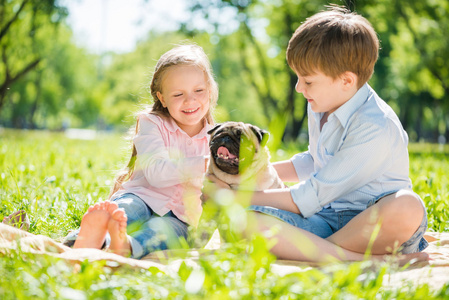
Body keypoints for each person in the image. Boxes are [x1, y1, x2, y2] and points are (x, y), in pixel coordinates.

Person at [207, 6, 429, 264]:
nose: (299, 88)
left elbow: (310, 196)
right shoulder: (322, 102)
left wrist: (233, 193)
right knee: (242, 219)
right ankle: (334, 253)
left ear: (346, 81)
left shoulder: (375, 125)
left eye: (308, 81)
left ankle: (324, 252)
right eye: (298, 78)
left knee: (406, 206)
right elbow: (315, 160)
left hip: (372, 222)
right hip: (325, 219)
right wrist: (243, 175)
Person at [64, 44, 219, 258]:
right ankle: (92, 237)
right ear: (162, 98)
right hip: (142, 196)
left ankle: (126, 245)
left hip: (182, 219)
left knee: (160, 233)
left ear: (209, 91)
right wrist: (207, 164)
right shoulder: (152, 123)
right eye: (178, 94)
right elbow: (157, 173)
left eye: (198, 90)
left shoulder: (219, 138)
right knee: (127, 209)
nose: (190, 100)